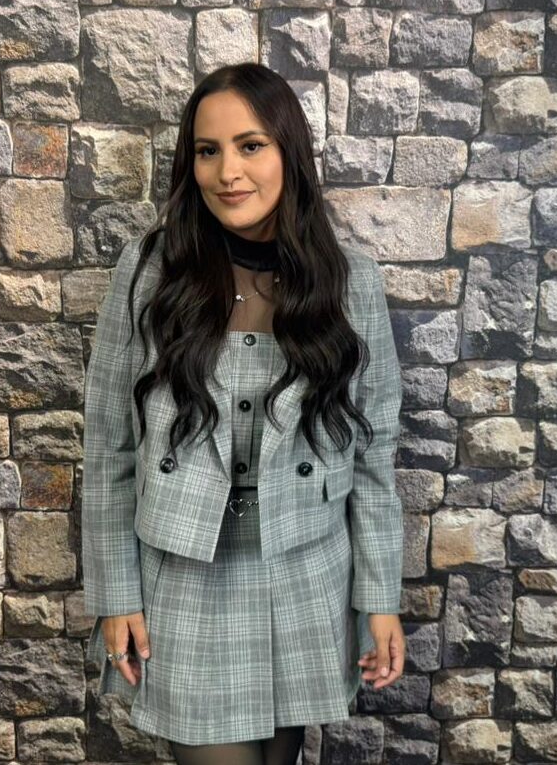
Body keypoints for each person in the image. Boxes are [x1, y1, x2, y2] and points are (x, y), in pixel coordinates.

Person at [82, 62, 405, 765]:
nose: (227, 171)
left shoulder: (349, 282)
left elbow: (373, 453)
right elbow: (109, 449)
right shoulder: (149, 273)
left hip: (306, 574)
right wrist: (116, 593)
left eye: (250, 146)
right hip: (186, 578)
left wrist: (379, 597)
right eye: (208, 150)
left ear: (289, 153)